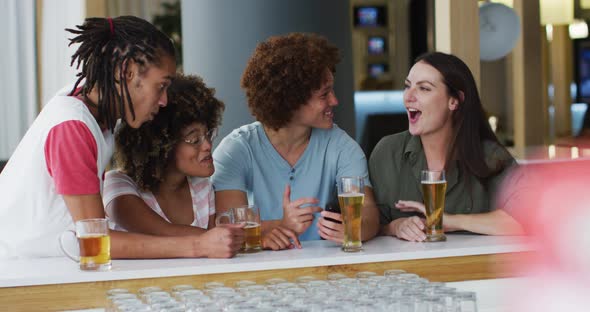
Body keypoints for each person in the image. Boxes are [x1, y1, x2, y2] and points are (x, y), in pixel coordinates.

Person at [0, 16, 239, 259]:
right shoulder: (72, 127)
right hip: (20, 275)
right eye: (161, 86)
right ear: (127, 72)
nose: (164, 100)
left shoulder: (92, 111)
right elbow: (94, 239)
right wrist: (199, 246)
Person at [212, 33, 380, 250]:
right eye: (324, 94)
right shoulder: (236, 149)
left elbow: (369, 214)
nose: (335, 101)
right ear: (291, 101)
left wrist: (355, 229)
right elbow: (229, 229)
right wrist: (280, 225)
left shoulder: (341, 146)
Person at [369, 52, 523, 242]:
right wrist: (394, 226)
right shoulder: (387, 152)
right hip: (402, 271)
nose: (408, 97)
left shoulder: (490, 156)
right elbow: (369, 223)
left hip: (473, 269)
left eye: (424, 88)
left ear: (454, 100)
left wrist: (450, 221)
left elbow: (525, 220)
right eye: (407, 86)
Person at [102, 73, 244, 257]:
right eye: (194, 139)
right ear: (162, 147)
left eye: (208, 133)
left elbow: (214, 253)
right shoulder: (118, 184)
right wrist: (225, 238)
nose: (208, 145)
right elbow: (160, 231)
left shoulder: (201, 188)